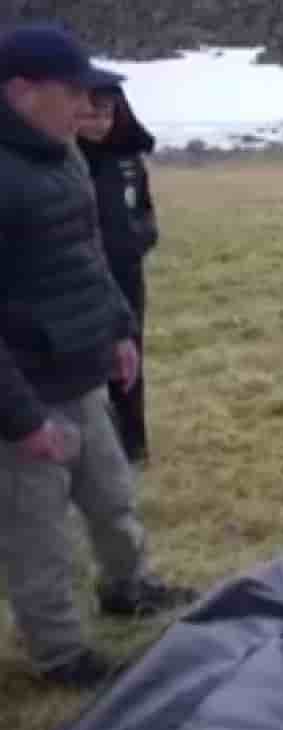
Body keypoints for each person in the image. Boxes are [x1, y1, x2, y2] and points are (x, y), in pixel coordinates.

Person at [0, 23, 196, 689]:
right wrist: (24, 421)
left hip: (81, 370)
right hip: (22, 390)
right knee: (38, 532)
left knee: (112, 494)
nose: (86, 101)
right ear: (21, 90)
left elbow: (89, 258)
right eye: (71, 88)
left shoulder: (64, 156)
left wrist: (119, 332)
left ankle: (128, 584)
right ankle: (59, 652)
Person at [78, 84, 158, 465]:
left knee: (130, 358)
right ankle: (93, 448)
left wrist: (140, 237)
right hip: (81, 277)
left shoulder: (127, 159)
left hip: (126, 274)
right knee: (89, 362)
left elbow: (145, 210)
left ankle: (133, 445)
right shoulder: (66, 160)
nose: (100, 123)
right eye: (92, 114)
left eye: (108, 114)